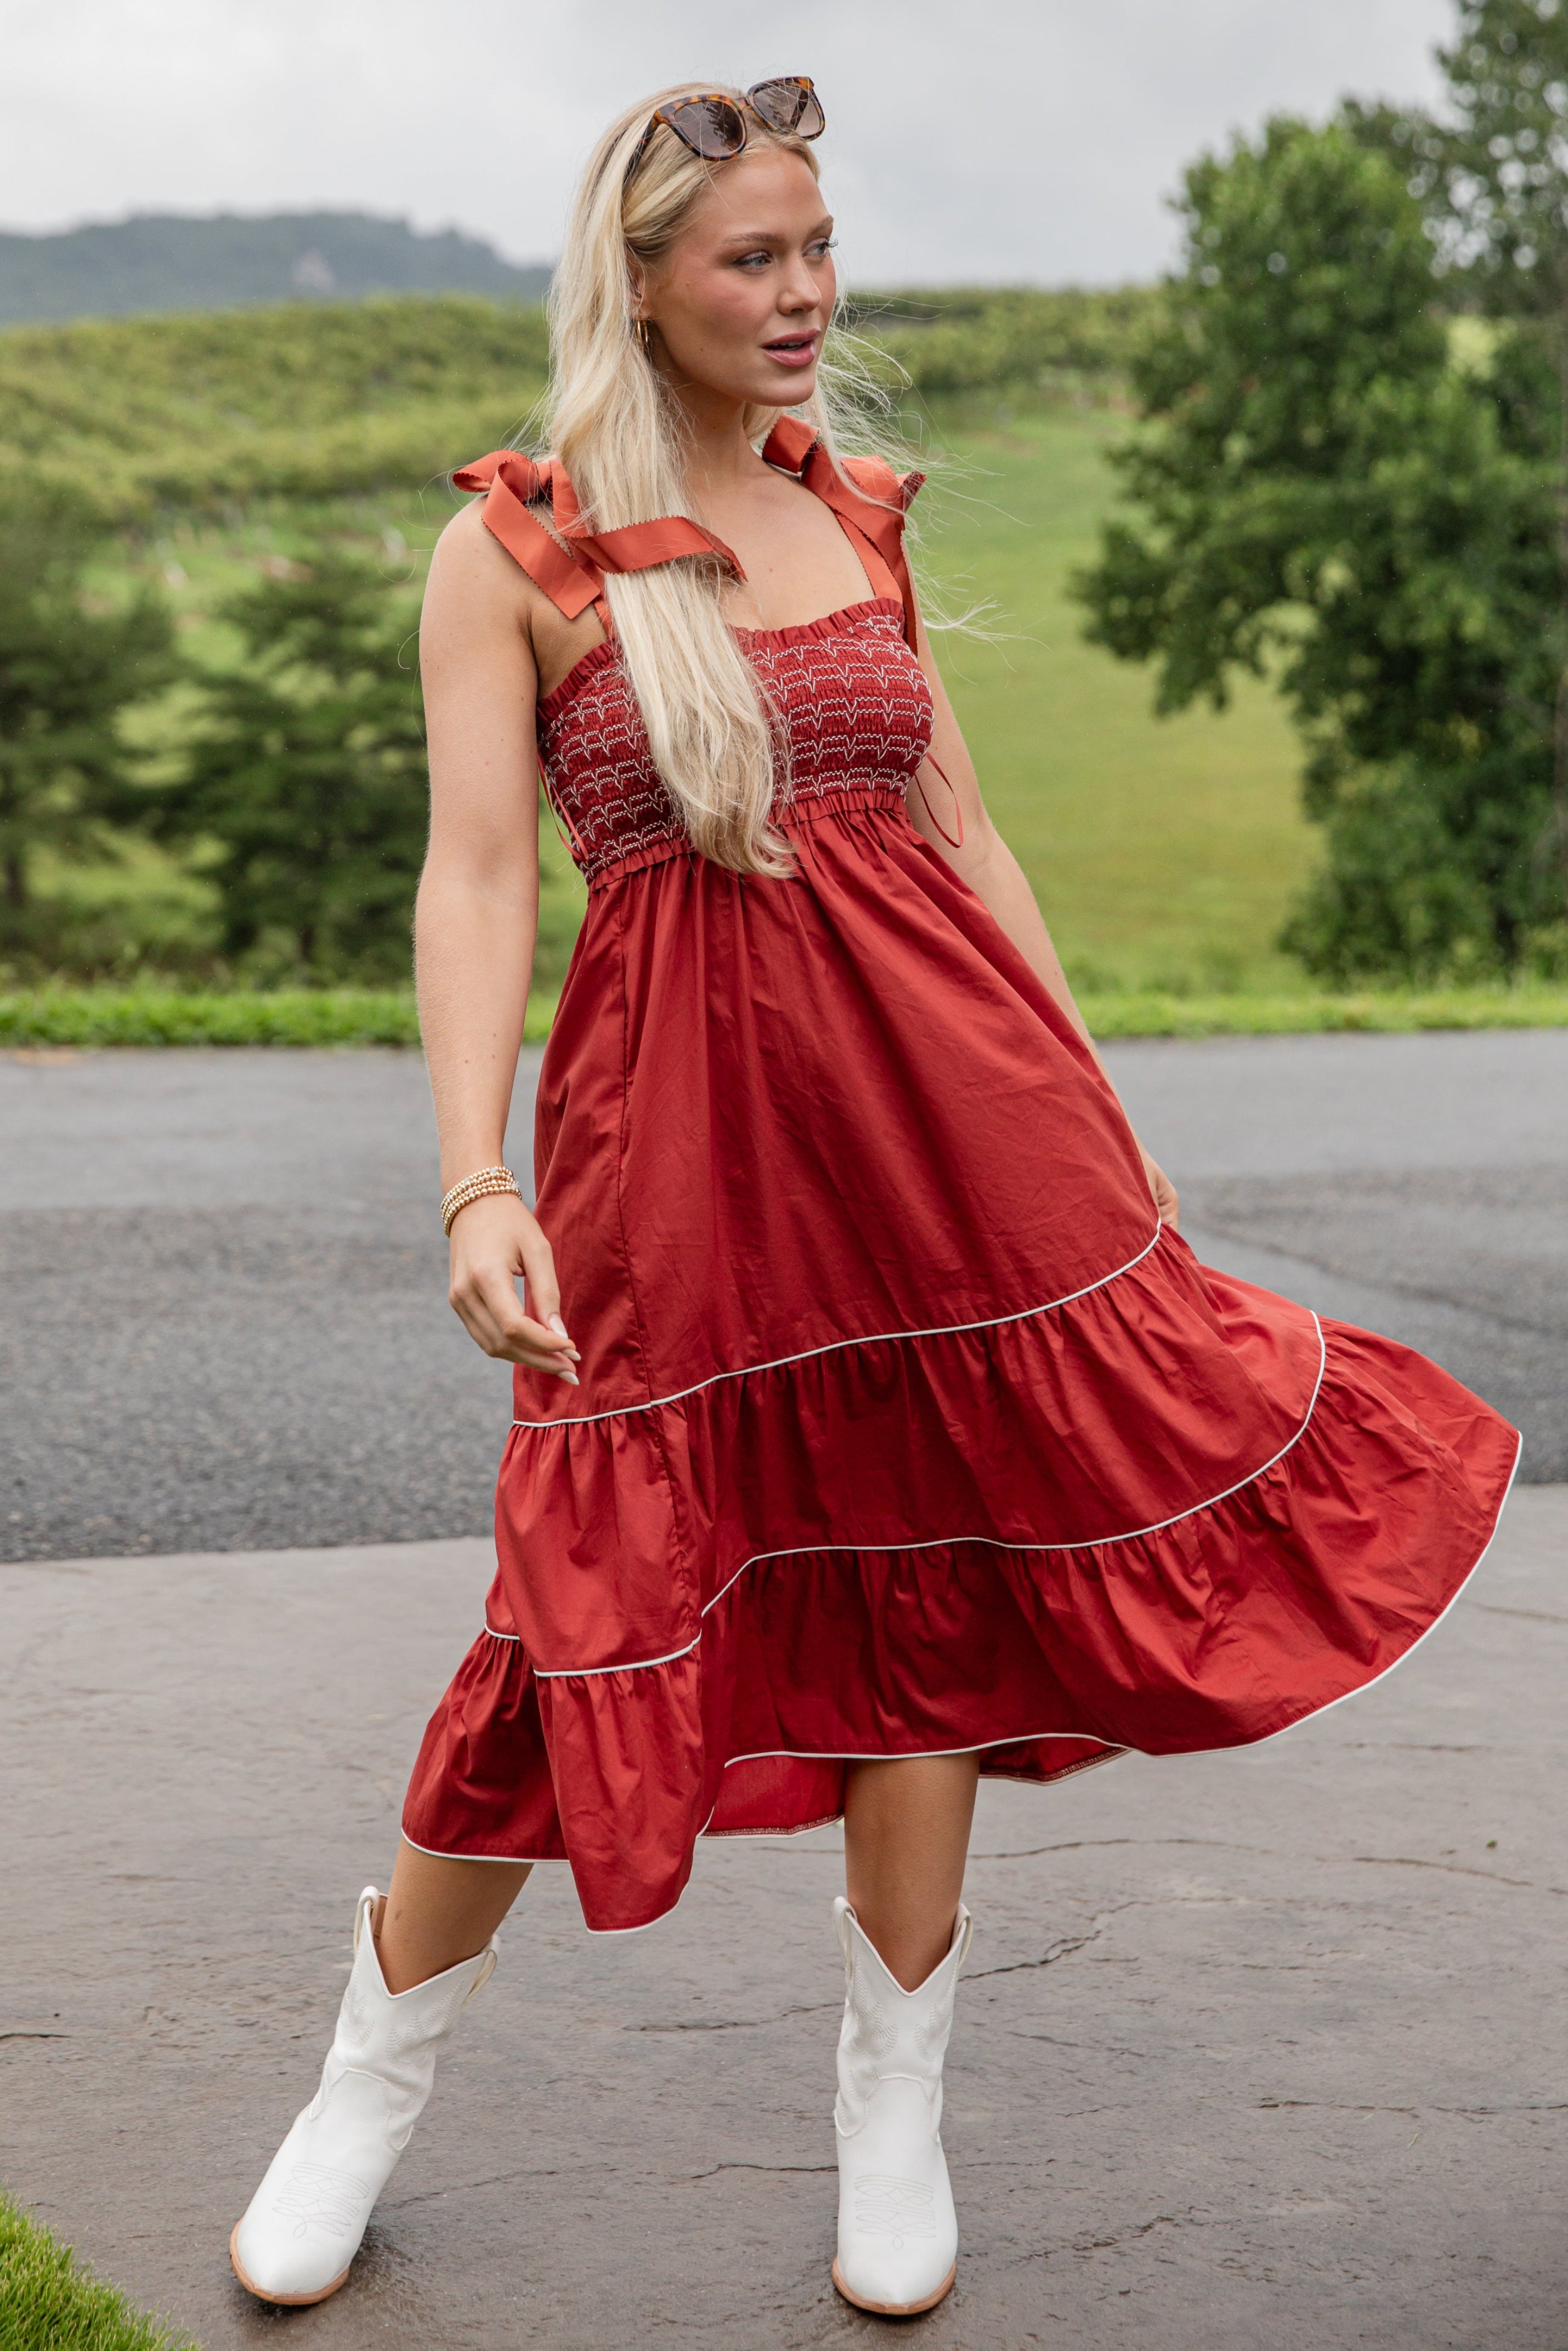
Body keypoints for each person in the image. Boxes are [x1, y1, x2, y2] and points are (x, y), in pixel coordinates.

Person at [229, 77, 1519, 2320]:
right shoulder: (514, 547)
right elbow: (470, 876)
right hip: (670, 1159)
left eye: (822, 246)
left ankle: (893, 2094)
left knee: (933, 1570)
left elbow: (962, 827)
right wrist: (472, 1178)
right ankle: (366, 2076)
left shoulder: (866, 513)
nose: (808, 292)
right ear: (640, 278)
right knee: (573, 1603)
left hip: (955, 1132)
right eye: (755, 257)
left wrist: (1090, 1101)